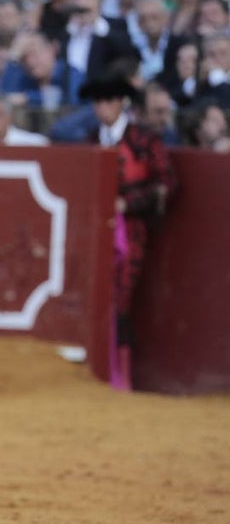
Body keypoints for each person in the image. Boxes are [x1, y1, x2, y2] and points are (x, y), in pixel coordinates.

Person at [80, 72, 176, 390]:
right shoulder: (93, 140)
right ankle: (98, 374)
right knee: (96, 298)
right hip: (97, 235)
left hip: (131, 230)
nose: (102, 108)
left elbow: (167, 184)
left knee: (119, 300)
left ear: (121, 103)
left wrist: (127, 203)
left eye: (108, 101)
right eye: (98, 102)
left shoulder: (144, 140)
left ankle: (120, 377)